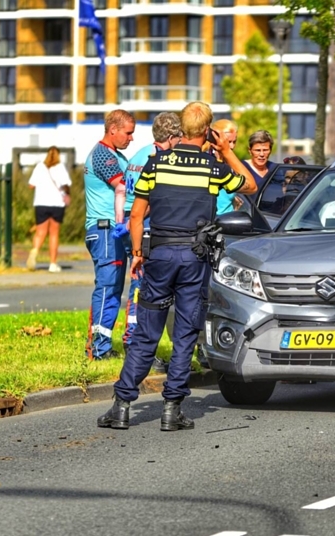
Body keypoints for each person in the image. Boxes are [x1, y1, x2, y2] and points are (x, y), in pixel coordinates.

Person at [98, 101, 257, 431]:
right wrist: (226, 150)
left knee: (147, 331)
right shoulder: (213, 169)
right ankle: (172, 409)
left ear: (182, 129)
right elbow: (249, 185)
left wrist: (139, 252)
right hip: (194, 259)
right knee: (185, 333)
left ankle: (122, 405)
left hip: (159, 255)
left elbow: (138, 214)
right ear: (208, 131)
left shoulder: (156, 164)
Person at [121, 112, 183, 355]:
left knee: (138, 284)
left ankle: (133, 339)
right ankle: (135, 343)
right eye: (178, 137)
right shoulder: (157, 158)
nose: (180, 141)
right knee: (145, 288)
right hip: (143, 226)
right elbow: (146, 204)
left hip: (130, 223)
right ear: (170, 137)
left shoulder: (138, 154)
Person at [84, 109, 135, 361]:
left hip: (110, 230)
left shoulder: (117, 155)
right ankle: (98, 348)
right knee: (107, 287)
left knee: (113, 288)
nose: (131, 138)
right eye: (128, 132)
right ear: (112, 129)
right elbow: (122, 187)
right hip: (105, 229)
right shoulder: (104, 155)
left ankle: (101, 345)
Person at [27, 146, 71, 273]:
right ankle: (52, 264)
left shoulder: (40, 167)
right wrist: (68, 194)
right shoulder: (60, 167)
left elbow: (31, 185)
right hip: (57, 203)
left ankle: (34, 251)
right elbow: (65, 184)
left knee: (40, 232)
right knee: (54, 234)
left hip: (41, 203)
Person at [212, 119, 241, 215]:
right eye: (228, 142)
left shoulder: (232, 163)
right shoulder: (207, 162)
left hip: (230, 222)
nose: (232, 146)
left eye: (234, 142)